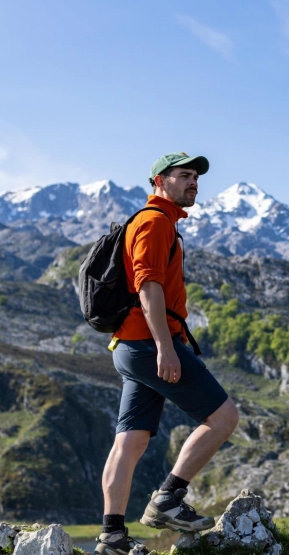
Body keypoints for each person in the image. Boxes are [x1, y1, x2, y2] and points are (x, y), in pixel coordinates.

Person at [95, 153, 239, 555]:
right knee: (224, 417)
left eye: (195, 177)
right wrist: (164, 347)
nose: (193, 183)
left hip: (130, 346)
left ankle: (112, 537)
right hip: (148, 345)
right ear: (160, 181)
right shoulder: (155, 222)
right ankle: (168, 499)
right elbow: (148, 286)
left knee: (130, 442)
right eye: (184, 176)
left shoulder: (158, 222)